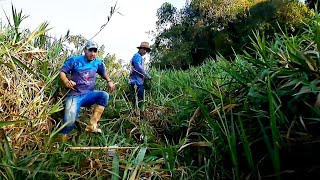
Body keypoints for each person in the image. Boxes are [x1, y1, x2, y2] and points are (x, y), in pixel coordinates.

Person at [59, 40, 115, 140]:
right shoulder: (74, 60)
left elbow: (103, 73)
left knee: (104, 95)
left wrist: (109, 81)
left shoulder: (98, 63)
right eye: (90, 50)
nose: (93, 53)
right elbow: (62, 72)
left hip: (89, 95)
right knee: (69, 122)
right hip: (74, 95)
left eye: (95, 51)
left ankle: (92, 125)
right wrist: (66, 81)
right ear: (84, 50)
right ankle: (61, 143)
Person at [128, 42, 153, 114]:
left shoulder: (139, 57)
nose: (145, 51)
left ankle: (137, 113)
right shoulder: (137, 56)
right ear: (140, 49)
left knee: (138, 99)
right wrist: (148, 76)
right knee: (140, 99)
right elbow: (138, 68)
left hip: (138, 81)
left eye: (146, 50)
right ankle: (139, 113)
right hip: (136, 82)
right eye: (144, 49)